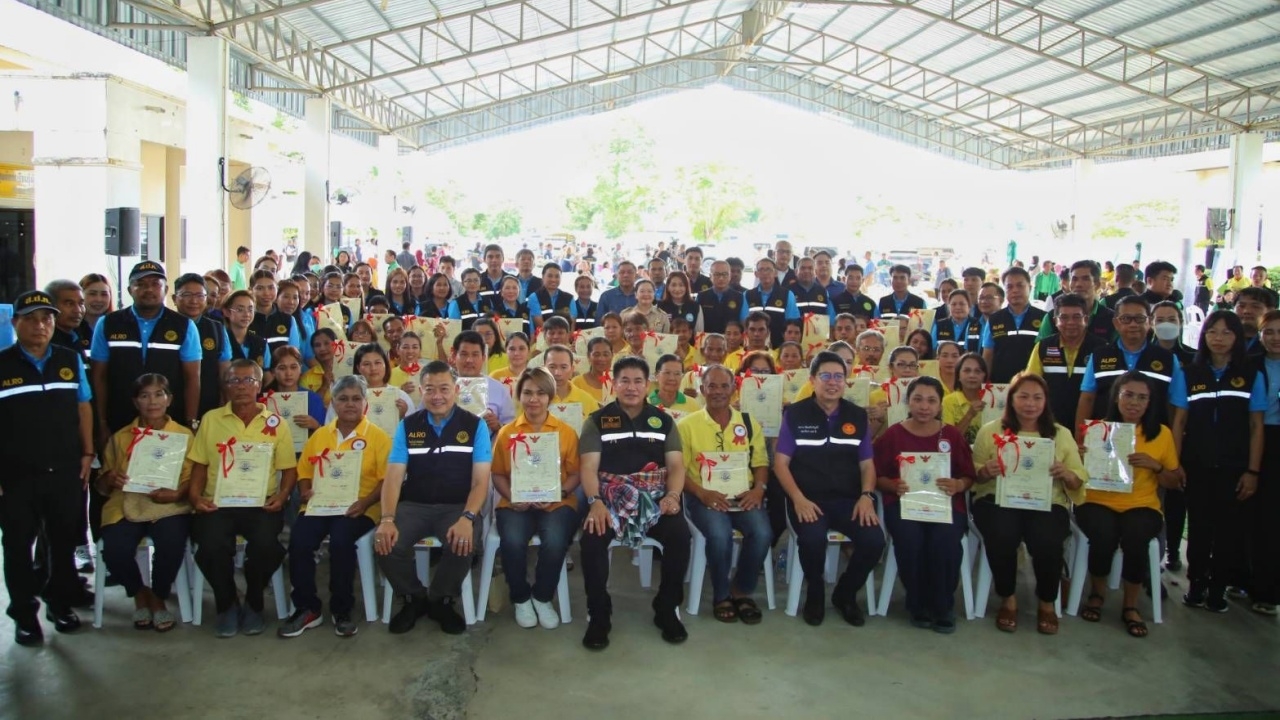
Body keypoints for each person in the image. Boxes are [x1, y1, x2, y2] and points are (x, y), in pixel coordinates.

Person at [0, 290, 95, 645]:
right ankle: (24, 614)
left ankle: (59, 603)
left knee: (61, 541)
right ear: (16, 323)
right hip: (16, 476)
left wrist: (87, 453)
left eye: (47, 319)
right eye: (32, 319)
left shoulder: (68, 359)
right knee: (18, 546)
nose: (41, 326)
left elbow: (83, 407)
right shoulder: (3, 364)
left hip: (66, 470)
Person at [578, 356, 690, 650]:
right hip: (609, 499)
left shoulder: (663, 421)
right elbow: (589, 468)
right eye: (624, 381)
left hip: (655, 500)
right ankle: (599, 613)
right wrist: (595, 501)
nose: (631, 387)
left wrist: (673, 496)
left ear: (648, 384)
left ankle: (666, 608)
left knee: (680, 535)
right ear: (613, 384)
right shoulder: (597, 421)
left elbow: (676, 466)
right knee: (591, 538)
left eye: (638, 381)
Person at [375, 360, 490, 635]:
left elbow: (480, 481)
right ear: (421, 391)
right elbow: (393, 477)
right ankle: (414, 597)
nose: (437, 396)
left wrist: (467, 517)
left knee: (462, 542)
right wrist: (387, 518)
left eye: (443, 389)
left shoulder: (475, 426)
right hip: (415, 505)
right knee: (385, 543)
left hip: (456, 506)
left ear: (456, 389)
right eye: (429, 389)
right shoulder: (408, 426)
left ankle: (441, 599)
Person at [187, 359, 298, 637]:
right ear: (225, 385)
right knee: (211, 546)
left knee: (266, 545)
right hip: (218, 502)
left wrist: (282, 496)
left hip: (261, 504)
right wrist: (195, 497)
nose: (241, 387)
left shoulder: (276, 423)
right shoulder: (212, 419)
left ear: (259, 385)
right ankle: (226, 604)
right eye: (234, 380)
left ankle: (254, 602)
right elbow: (199, 465)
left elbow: (288, 469)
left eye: (248, 380)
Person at [774, 350, 884, 626]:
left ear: (846, 381)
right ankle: (815, 592)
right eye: (826, 376)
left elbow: (867, 465)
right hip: (807, 499)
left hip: (848, 500)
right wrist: (798, 499)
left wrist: (867, 496)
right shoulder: (795, 414)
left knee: (874, 541)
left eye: (839, 376)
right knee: (812, 540)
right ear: (813, 379)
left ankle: (845, 594)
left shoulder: (857, 416)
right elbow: (780, 464)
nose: (832, 382)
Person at [971, 373, 1086, 635]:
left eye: (1037, 397)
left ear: (1046, 401)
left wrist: (1066, 474)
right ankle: (1008, 598)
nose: (1030, 403)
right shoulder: (991, 431)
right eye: (1023, 396)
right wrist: (985, 471)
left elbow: (1078, 481)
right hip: (997, 499)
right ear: (1011, 400)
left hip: (1046, 502)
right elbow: (973, 474)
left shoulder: (1061, 434)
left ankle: (1047, 602)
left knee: (1047, 540)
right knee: (1002, 534)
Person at [1169, 310, 1266, 613]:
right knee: (1199, 528)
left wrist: (1252, 471)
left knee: (1228, 532)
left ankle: (1217, 591)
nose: (1219, 339)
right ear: (1204, 336)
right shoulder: (1189, 373)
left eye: (1226, 333)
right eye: (1213, 332)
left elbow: (1256, 427)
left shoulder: (1251, 375)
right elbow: (1179, 421)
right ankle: (1196, 586)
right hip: (1196, 465)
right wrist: (1175, 463)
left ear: (1237, 338)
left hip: (1234, 468)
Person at [279, 375, 389, 638]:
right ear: (334, 403)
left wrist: (364, 502)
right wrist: (305, 489)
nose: (349, 404)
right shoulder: (320, 435)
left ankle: (342, 609)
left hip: (360, 508)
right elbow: (304, 469)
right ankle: (307, 607)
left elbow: (387, 481)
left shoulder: (378, 438)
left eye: (355, 398)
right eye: (342, 399)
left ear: (365, 403)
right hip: (319, 506)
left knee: (341, 540)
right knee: (300, 540)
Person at [1074, 372, 1182, 638]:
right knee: (1103, 534)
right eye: (1128, 395)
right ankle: (1097, 593)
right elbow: (1076, 476)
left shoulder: (1162, 435)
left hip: (1141, 504)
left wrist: (1155, 466)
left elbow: (1173, 481)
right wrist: (1081, 457)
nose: (1134, 402)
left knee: (1136, 537)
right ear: (1117, 397)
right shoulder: (1097, 430)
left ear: (1150, 402)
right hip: (1097, 500)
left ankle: (1130, 604)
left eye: (1142, 397)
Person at [873, 376, 975, 633]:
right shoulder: (893, 434)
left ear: (940, 405)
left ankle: (943, 605)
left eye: (931, 401)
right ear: (908, 402)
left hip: (945, 505)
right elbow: (876, 475)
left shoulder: (950, 435)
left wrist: (958, 485)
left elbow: (968, 474)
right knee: (910, 539)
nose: (924, 406)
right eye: (917, 399)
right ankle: (917, 603)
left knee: (945, 541)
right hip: (904, 503)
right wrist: (892, 485)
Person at [96, 374, 193, 632]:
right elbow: (103, 483)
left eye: (159, 394)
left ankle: (159, 596)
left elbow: (193, 479)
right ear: (135, 402)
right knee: (114, 549)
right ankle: (139, 592)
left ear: (169, 399)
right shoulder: (120, 438)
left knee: (171, 543)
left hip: (168, 504)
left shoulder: (183, 436)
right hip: (126, 502)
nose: (152, 401)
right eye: (144, 395)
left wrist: (175, 494)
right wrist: (110, 477)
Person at [678, 364, 772, 624]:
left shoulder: (748, 423)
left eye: (724, 386)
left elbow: (761, 462)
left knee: (762, 533)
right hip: (703, 497)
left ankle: (741, 590)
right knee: (719, 535)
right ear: (701, 390)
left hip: (744, 496)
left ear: (733, 389)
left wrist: (758, 490)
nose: (718, 391)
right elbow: (678, 471)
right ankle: (721, 595)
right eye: (712, 386)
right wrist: (702, 493)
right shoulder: (687, 425)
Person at [490, 368, 580, 629]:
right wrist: (512, 496)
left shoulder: (566, 432)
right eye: (527, 392)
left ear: (550, 396)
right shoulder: (507, 433)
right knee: (514, 541)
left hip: (558, 502)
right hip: (514, 503)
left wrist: (559, 493)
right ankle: (520, 597)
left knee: (555, 540)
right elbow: (497, 474)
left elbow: (575, 474)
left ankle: (542, 596)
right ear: (519, 396)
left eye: (540, 393)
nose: (533, 399)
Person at [91, 261, 202, 438]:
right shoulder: (108, 324)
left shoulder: (184, 326)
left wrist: (190, 422)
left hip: (170, 422)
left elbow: (192, 378)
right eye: (140, 284)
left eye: (155, 284)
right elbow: (99, 377)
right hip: (120, 420)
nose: (148, 289)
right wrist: (102, 422)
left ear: (165, 290)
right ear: (129, 290)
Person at [1075, 296, 1180, 432]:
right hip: (1104, 438)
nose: (1133, 324)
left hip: (1152, 437)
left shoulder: (1168, 359)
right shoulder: (1099, 355)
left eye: (1139, 319)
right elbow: (1087, 399)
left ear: (1149, 322)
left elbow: (1175, 406)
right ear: (1116, 323)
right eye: (1126, 319)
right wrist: (1080, 437)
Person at [1027, 294, 1105, 428]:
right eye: (1064, 317)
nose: (1070, 323)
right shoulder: (1043, 347)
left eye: (1076, 317)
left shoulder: (1102, 349)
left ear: (1086, 319)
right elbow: (1031, 384)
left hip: (1092, 425)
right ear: (1055, 321)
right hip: (1050, 424)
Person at [1252, 310, 1280, 615]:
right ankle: (1241, 577)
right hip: (1257, 438)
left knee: (1273, 520)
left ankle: (1268, 590)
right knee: (1250, 513)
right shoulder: (1252, 365)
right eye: (1269, 332)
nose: (1275, 338)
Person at [981, 267, 1047, 384]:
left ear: (1030, 288)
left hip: (1034, 385)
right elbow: (988, 356)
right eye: (1009, 287)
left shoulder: (1044, 318)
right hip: (1000, 386)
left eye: (1020, 285)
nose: (1015, 290)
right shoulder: (994, 320)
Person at [452, 330, 516, 433]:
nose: (469, 360)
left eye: (475, 355)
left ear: (483, 358)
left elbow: (511, 429)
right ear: (454, 356)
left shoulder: (498, 389)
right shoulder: (442, 386)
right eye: (464, 354)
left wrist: (498, 425)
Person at [745, 258, 800, 349]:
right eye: (761, 270)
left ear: (775, 273)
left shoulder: (787, 294)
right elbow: (744, 323)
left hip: (779, 347)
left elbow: (792, 323)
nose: (765, 273)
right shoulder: (747, 295)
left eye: (768, 269)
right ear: (756, 274)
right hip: (753, 347)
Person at [248, 269, 300, 358]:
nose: (266, 293)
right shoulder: (246, 319)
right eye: (260, 288)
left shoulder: (288, 320)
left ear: (277, 289)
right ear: (250, 290)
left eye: (271, 287)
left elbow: (294, 354)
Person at [942, 352, 989, 445]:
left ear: (984, 376)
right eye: (967, 370)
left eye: (978, 371)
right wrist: (969, 415)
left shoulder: (993, 400)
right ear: (958, 375)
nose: (972, 375)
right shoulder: (948, 401)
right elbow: (948, 441)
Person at [698, 261, 748, 335]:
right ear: (710, 276)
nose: (721, 278)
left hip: (732, 342)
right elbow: (698, 326)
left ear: (730, 276)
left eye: (725, 274)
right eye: (717, 274)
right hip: (707, 342)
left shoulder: (740, 297)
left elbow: (744, 325)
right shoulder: (701, 297)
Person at [572, 336, 617, 403]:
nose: (601, 358)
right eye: (596, 355)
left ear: (612, 355)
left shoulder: (619, 381)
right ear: (588, 356)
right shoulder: (577, 383)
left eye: (606, 354)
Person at [658, 270, 703, 335]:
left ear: (686, 287)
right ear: (668, 287)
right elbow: (657, 332)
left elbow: (699, 333)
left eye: (681, 285)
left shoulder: (695, 306)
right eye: (673, 285)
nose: (677, 289)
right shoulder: (660, 306)